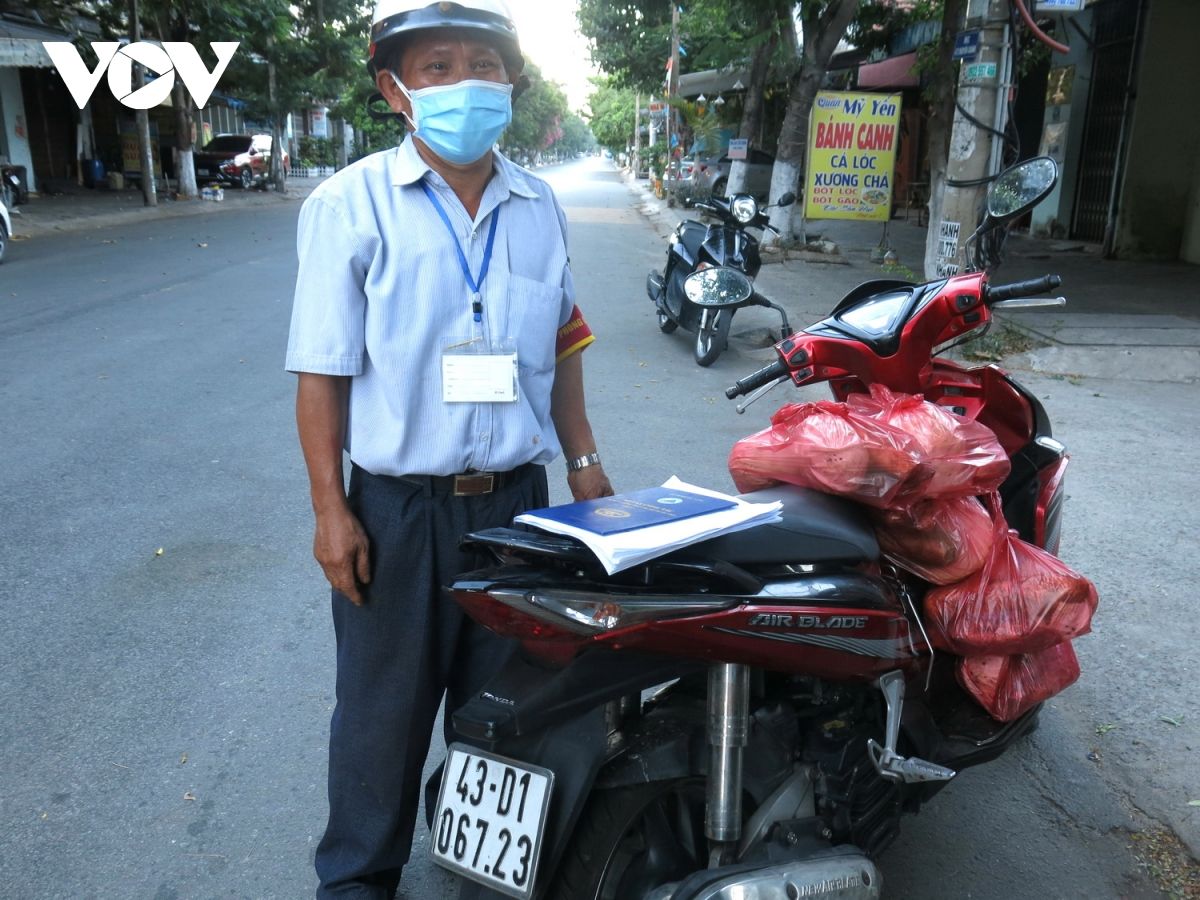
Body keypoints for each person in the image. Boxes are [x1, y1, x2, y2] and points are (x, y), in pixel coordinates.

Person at [284, 2, 613, 896]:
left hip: (519, 502)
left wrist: (582, 462)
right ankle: (356, 882)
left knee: (509, 708)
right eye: (437, 67)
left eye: (484, 63)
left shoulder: (539, 206)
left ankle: (483, 874)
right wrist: (330, 511)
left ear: (511, 84)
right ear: (396, 90)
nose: (465, 81)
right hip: (397, 511)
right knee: (379, 719)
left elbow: (561, 341)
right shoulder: (347, 207)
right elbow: (321, 372)